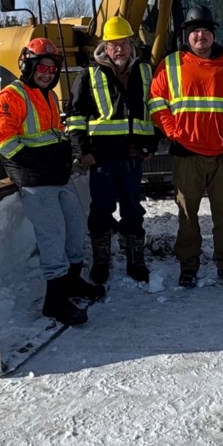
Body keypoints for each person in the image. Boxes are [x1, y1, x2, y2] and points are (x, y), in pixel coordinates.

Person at [0, 37, 104, 327]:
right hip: (35, 181)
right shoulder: (11, 96)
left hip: (58, 175)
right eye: (42, 67)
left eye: (52, 70)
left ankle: (73, 280)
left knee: (75, 225)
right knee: (52, 235)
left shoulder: (48, 96)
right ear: (28, 66)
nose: (47, 74)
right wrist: (33, 161)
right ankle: (54, 300)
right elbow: (2, 139)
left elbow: (54, 131)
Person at [149, 6, 223, 288]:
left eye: (206, 31)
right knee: (187, 214)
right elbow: (156, 101)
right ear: (187, 35)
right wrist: (173, 132)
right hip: (187, 154)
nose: (201, 36)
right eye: (195, 32)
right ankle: (188, 265)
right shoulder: (171, 64)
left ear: (213, 34)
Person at [66, 16, 158, 285]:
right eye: (114, 44)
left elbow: (155, 109)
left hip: (133, 156)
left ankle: (136, 260)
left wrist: (151, 143)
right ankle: (101, 261)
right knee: (101, 210)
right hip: (103, 157)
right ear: (105, 47)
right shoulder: (89, 74)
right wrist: (82, 150)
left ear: (132, 45)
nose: (120, 49)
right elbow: (75, 115)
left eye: (124, 43)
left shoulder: (145, 71)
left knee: (133, 209)